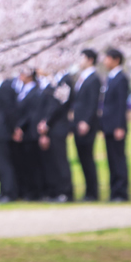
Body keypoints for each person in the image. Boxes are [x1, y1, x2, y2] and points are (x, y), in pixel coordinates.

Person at [38, 66, 75, 202]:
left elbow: (59, 105)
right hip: (50, 127)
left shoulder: (65, 80)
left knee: (60, 160)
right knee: (52, 161)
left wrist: (47, 122)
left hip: (58, 126)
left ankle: (66, 192)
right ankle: (55, 190)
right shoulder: (54, 81)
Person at [72, 49, 103, 202]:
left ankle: (93, 192)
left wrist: (86, 121)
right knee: (82, 158)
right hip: (78, 123)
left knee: (88, 157)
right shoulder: (81, 78)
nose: (79, 61)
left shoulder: (93, 79)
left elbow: (92, 102)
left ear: (90, 60)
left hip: (87, 125)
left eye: (82, 57)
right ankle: (88, 191)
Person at [101, 48, 131, 202]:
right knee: (111, 160)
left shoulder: (121, 79)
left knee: (118, 160)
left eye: (107, 58)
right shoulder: (110, 78)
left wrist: (119, 126)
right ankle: (114, 192)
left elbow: (121, 105)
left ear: (116, 60)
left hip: (116, 127)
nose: (105, 62)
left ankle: (121, 193)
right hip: (108, 127)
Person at [0, 74, 20, 203]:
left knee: (5, 163)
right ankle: (3, 191)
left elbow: (10, 110)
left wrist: (13, 128)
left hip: (3, 130)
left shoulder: (6, 87)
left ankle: (9, 192)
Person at [13, 69, 43, 201]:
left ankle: (35, 191)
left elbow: (31, 113)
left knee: (33, 164)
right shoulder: (22, 91)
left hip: (30, 131)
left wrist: (20, 126)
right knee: (25, 163)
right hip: (24, 133)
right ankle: (27, 190)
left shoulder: (35, 91)